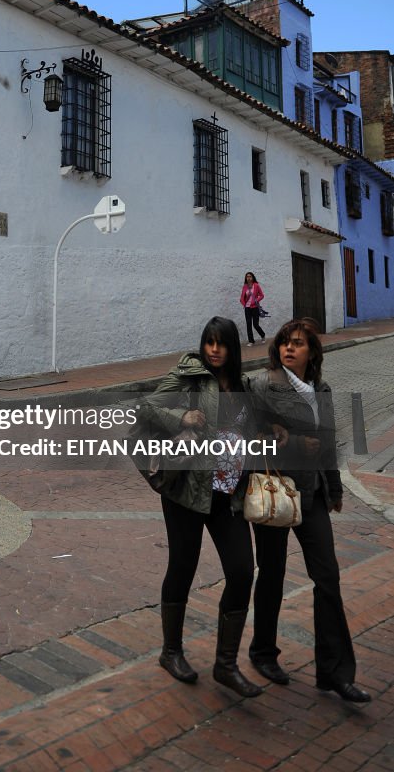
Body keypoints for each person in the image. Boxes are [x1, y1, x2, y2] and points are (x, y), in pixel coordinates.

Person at [247, 319, 371, 703]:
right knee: (272, 573)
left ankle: (333, 672)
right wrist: (298, 444)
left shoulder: (322, 389)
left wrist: (333, 487)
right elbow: (252, 439)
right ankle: (263, 652)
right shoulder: (263, 385)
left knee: (327, 577)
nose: (289, 348)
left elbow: (329, 442)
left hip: (313, 494)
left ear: (312, 352)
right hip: (277, 490)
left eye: (298, 344)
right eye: (284, 342)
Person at [140, 316, 262, 698]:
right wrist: (182, 416)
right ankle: (170, 651)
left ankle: (225, 665)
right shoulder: (190, 374)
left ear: (233, 347)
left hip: (228, 496)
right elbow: (146, 407)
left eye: (221, 343)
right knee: (182, 567)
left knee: (242, 571)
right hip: (187, 492)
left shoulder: (244, 386)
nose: (214, 349)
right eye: (209, 341)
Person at [240, 271, 266, 347]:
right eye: (247, 276)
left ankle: (263, 335)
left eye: (250, 276)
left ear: (253, 277)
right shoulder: (245, 286)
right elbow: (242, 297)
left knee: (255, 324)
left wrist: (256, 301)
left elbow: (262, 295)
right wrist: (244, 304)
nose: (248, 278)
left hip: (255, 308)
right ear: (246, 278)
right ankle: (251, 341)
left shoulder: (256, 285)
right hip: (247, 308)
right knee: (248, 324)